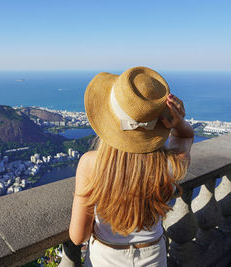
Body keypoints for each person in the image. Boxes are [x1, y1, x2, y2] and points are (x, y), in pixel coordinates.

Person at [68, 66, 194, 266]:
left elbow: (78, 236)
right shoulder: (170, 165)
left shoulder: (91, 164)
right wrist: (179, 123)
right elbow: (185, 137)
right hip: (154, 257)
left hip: (104, 259)